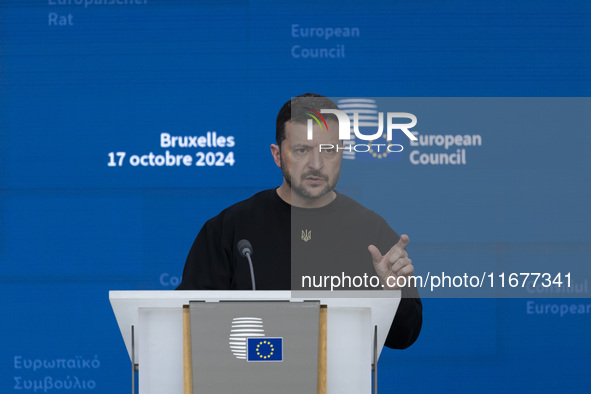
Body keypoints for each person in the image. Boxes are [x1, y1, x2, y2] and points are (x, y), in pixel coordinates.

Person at [177, 93, 422, 349]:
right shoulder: (229, 229)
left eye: (328, 150)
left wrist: (391, 293)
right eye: (302, 150)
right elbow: (187, 325)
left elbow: (404, 337)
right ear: (277, 155)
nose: (316, 164)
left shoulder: (372, 232)